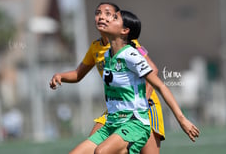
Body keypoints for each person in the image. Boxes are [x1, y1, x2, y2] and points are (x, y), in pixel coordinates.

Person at [67, 10, 199, 154]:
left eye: (114, 17)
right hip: (113, 122)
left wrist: (182, 119)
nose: (107, 18)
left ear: (124, 30)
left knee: (101, 152)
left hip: (134, 123)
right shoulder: (107, 54)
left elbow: (160, 85)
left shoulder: (131, 55)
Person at [50, 2, 165, 153]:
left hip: (145, 108)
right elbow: (78, 74)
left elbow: (153, 70)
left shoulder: (131, 44)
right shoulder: (95, 47)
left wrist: (144, 100)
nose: (101, 17)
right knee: (94, 148)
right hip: (117, 110)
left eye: (108, 13)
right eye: (98, 13)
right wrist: (60, 76)